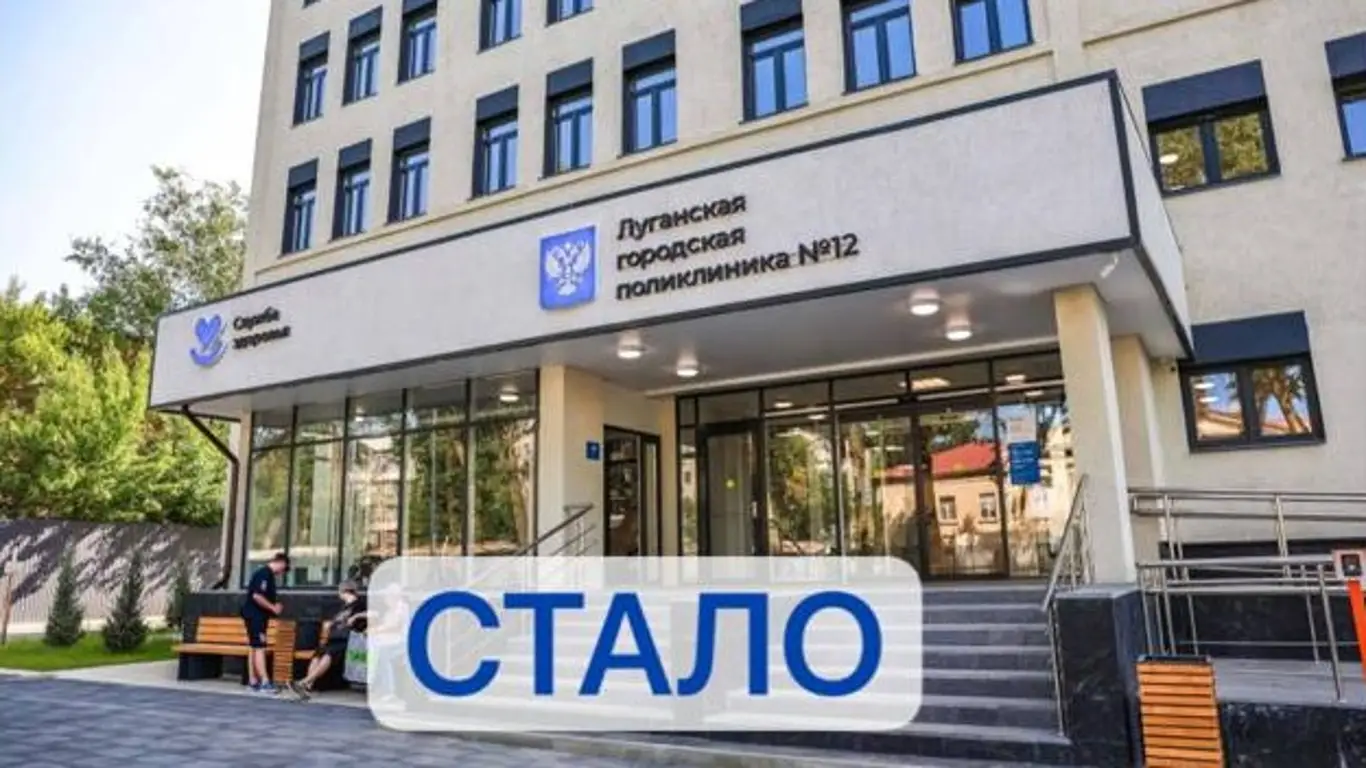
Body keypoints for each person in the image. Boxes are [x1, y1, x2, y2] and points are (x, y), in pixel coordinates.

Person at [289, 581, 367, 700]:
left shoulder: (360, 604)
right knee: (317, 655)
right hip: (334, 638)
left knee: (329, 654)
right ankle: (307, 686)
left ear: (343, 591)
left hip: (348, 640)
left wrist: (356, 617)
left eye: (339, 592)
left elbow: (371, 613)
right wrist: (331, 624)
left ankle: (303, 682)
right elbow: (339, 620)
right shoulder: (344, 607)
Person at [240, 552, 289, 694]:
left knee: (254, 647)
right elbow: (257, 596)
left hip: (254, 615)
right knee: (260, 647)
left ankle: (253, 680)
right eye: (284, 568)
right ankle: (265, 682)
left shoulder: (265, 574)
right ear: (281, 562)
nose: (282, 572)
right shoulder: (264, 574)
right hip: (256, 616)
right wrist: (273, 607)